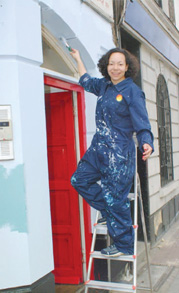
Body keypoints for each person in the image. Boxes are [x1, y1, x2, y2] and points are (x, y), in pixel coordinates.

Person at [70, 48, 154, 257]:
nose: (115, 68)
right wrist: (78, 57)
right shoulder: (104, 86)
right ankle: (108, 211)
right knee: (79, 180)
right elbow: (85, 80)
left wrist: (146, 142)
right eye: (111, 64)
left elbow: (142, 125)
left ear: (127, 67)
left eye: (120, 64)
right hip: (98, 150)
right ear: (106, 66)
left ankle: (124, 245)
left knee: (116, 199)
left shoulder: (132, 92)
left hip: (119, 155)